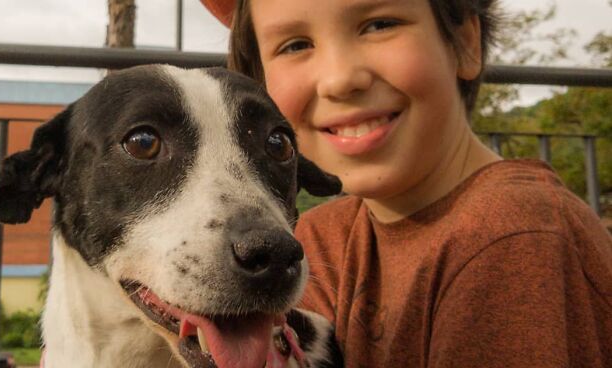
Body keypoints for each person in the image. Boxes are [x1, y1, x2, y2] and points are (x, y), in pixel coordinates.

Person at [201, 0, 612, 367]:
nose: (340, 79)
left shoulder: (511, 236)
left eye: (379, 25)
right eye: (295, 45)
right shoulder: (321, 240)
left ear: (466, 43)